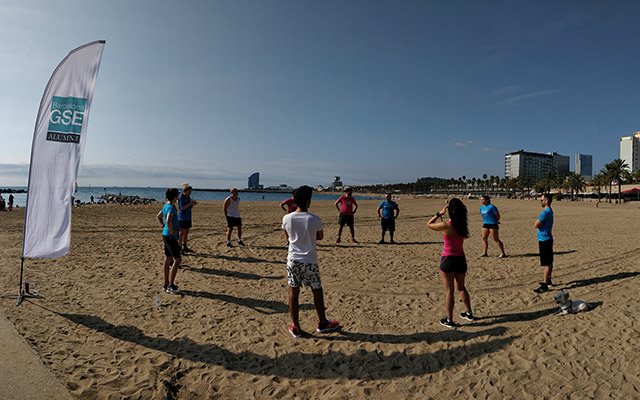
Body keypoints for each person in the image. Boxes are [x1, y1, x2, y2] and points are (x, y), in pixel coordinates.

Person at [282, 185, 339, 338]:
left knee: (294, 291)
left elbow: (287, 236)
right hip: (309, 260)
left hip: (293, 259)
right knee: (317, 290)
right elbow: (320, 236)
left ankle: (296, 327)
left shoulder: (287, 218)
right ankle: (322, 322)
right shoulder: (314, 219)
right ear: (308, 201)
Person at [427, 198, 475, 328]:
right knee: (461, 287)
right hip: (461, 259)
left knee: (449, 291)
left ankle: (449, 319)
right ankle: (469, 313)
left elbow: (429, 224)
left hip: (448, 259)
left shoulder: (446, 225)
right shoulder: (462, 225)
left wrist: (439, 214)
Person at [155, 188, 182, 294]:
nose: (178, 197)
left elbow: (158, 217)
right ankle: (170, 285)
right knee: (177, 260)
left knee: (167, 259)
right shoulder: (170, 207)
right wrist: (171, 230)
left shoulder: (166, 205)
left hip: (165, 235)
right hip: (170, 237)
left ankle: (166, 284)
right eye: (177, 195)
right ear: (175, 196)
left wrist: (163, 226)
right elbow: (168, 220)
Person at [534, 193, 554, 293]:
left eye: (541, 200)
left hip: (544, 239)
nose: (540, 202)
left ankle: (545, 284)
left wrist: (537, 224)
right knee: (549, 262)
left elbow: (536, 224)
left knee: (546, 263)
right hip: (548, 238)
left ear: (546, 201)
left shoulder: (545, 212)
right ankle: (549, 280)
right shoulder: (550, 211)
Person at [178, 185, 198, 253]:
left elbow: (189, 207)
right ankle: (179, 248)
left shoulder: (188, 197)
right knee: (181, 233)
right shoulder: (181, 197)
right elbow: (182, 208)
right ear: (185, 191)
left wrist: (192, 204)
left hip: (188, 217)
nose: (190, 193)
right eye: (189, 191)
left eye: (191, 192)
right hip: (182, 217)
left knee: (186, 232)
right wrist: (189, 204)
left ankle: (185, 246)